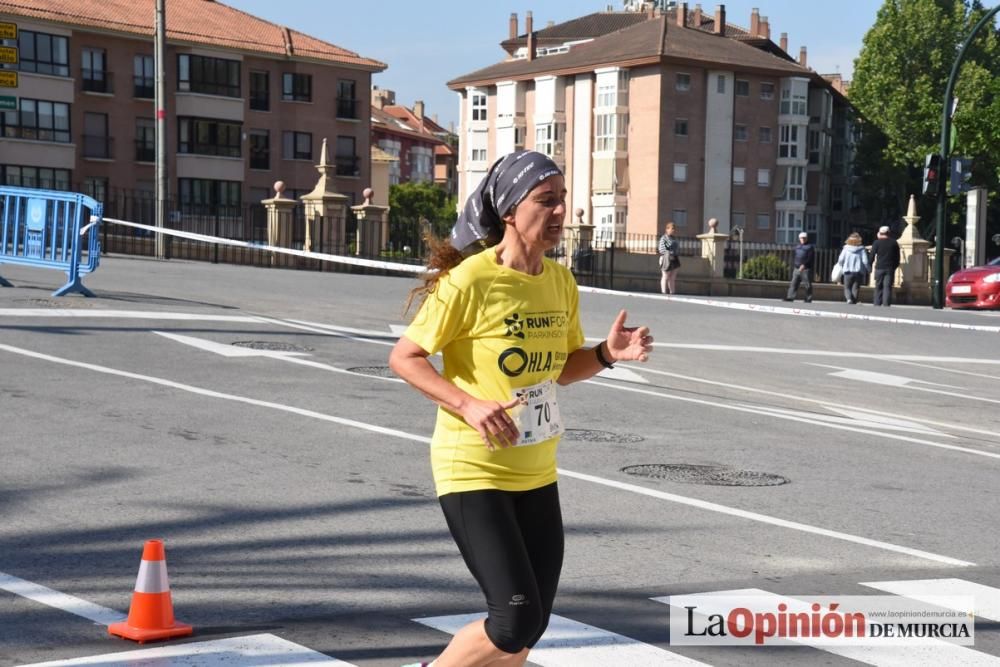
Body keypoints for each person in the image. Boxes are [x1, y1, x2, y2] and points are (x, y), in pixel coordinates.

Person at [389, 150, 653, 667]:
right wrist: (467, 403)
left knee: (531, 625)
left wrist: (605, 355)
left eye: (563, 201)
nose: (559, 213)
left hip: (535, 472)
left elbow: (559, 368)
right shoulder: (469, 280)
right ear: (510, 210)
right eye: (545, 201)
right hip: (474, 470)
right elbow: (405, 357)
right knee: (512, 622)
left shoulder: (559, 283)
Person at [835, 232, 870, 304]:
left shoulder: (845, 249)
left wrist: (840, 265)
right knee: (856, 287)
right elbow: (865, 261)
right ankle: (854, 300)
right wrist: (869, 269)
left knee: (847, 287)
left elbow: (840, 259)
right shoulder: (862, 249)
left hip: (847, 271)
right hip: (858, 272)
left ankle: (849, 299)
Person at [871, 225, 901, 307]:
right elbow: (897, 257)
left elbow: (872, 255)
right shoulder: (894, 243)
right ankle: (886, 303)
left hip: (879, 267)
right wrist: (894, 267)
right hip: (890, 268)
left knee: (878, 286)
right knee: (887, 286)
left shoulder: (876, 242)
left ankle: (877, 303)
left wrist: (870, 265)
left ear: (880, 233)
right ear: (888, 233)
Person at [783, 231, 814, 302]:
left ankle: (808, 298)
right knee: (793, 284)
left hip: (806, 269)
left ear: (806, 238)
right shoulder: (797, 246)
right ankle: (790, 297)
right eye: (801, 238)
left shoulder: (810, 247)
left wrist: (804, 265)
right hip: (796, 268)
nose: (802, 239)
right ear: (799, 239)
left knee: (807, 284)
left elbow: (810, 258)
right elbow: (794, 256)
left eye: (804, 238)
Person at [657, 222, 680, 294]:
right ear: (667, 229)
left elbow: (677, 249)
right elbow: (661, 249)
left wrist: (675, 253)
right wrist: (670, 252)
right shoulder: (664, 238)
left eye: (674, 229)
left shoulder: (675, 238)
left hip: (674, 259)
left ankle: (672, 292)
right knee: (665, 276)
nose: (673, 230)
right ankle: (664, 292)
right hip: (665, 259)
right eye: (671, 229)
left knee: (672, 277)